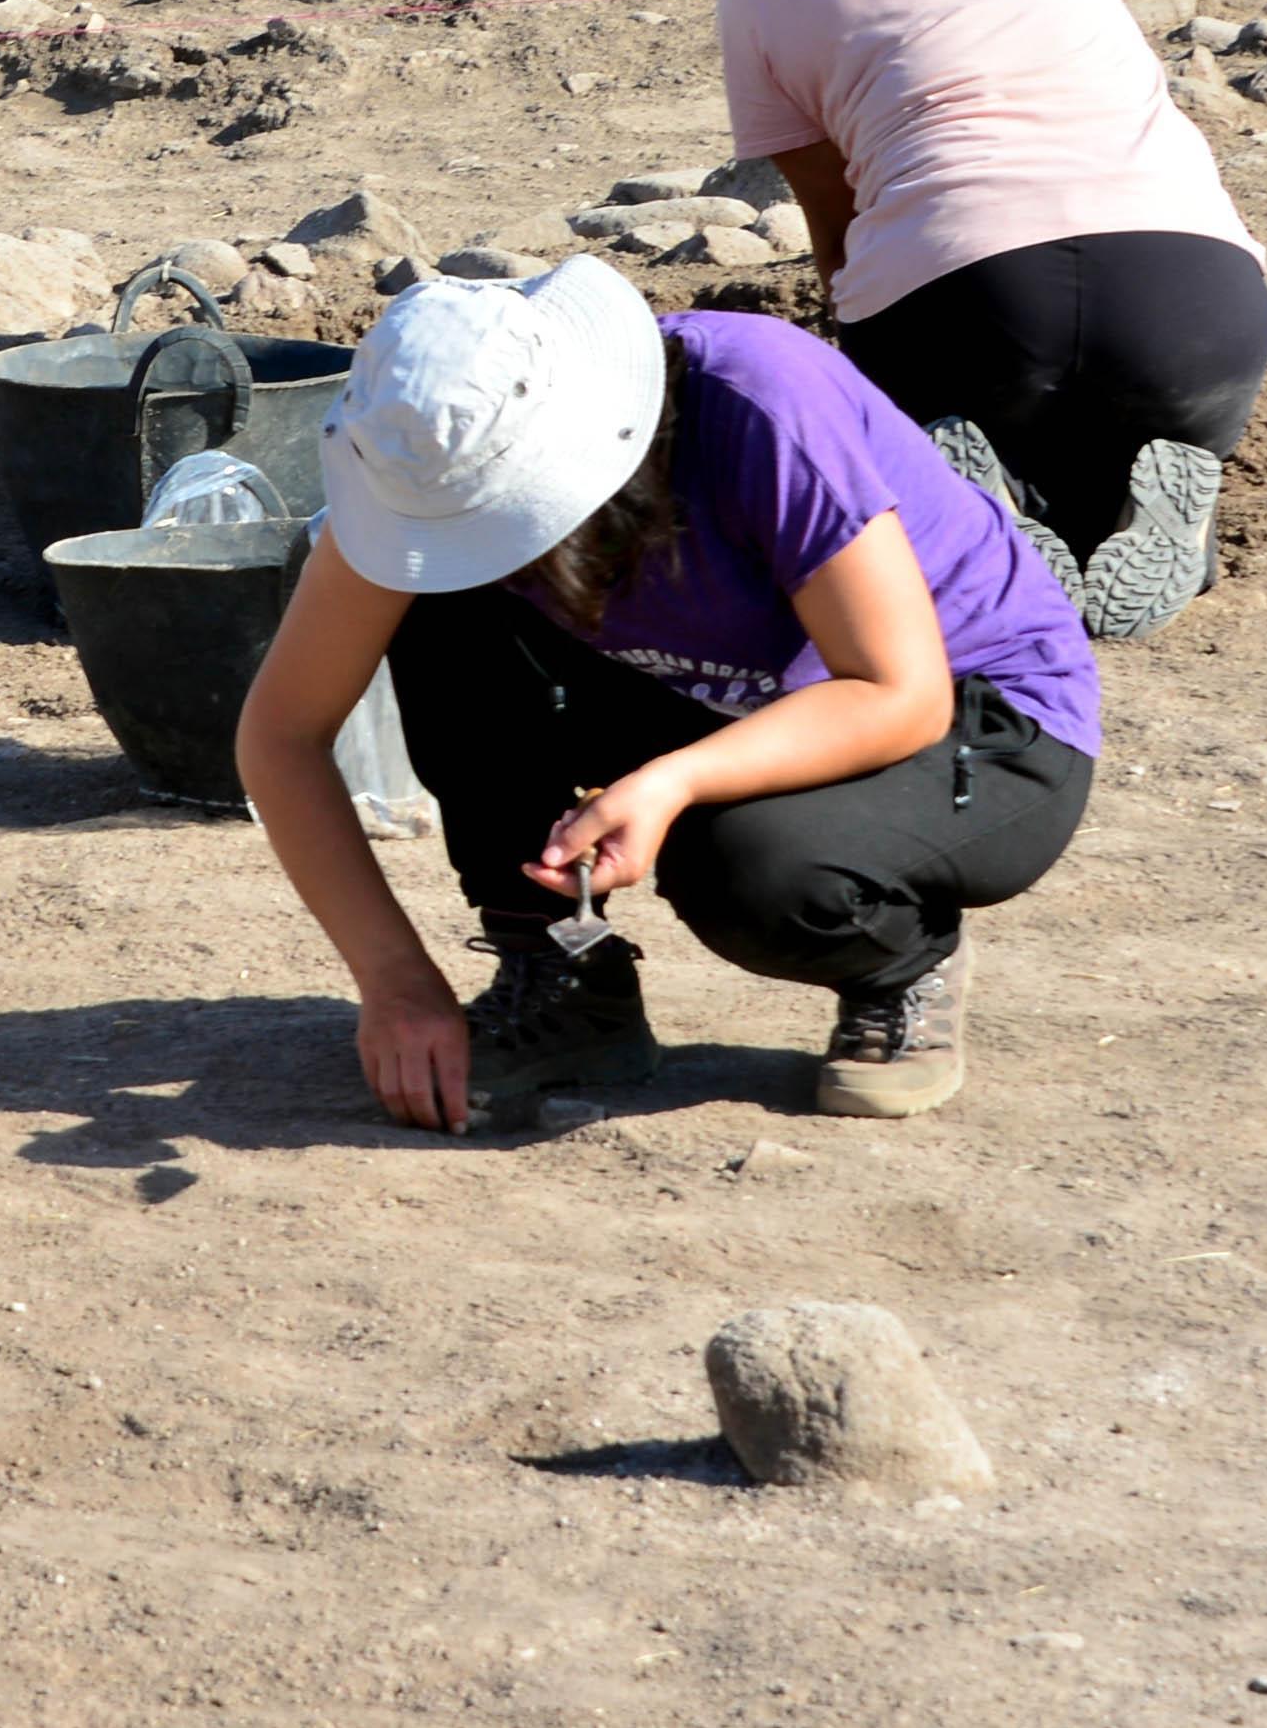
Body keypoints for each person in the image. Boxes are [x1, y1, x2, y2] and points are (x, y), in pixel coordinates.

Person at [236, 260, 1101, 1131]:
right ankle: (562, 976)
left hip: (972, 715)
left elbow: (895, 693)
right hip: (713, 689)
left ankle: (900, 962)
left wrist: (672, 782)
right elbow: (281, 736)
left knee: (749, 872)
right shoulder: (426, 453)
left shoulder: (759, 400)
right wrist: (394, 982)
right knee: (433, 603)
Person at [690, 0, 1267, 637]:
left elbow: (836, 221)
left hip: (974, 305)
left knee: (941, 425)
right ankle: (1145, 503)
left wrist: (865, 387)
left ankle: (975, 511)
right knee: (1114, 418)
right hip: (1203, 303)